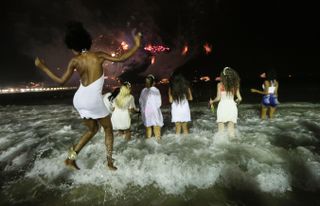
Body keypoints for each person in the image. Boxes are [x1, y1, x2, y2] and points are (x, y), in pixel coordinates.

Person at [34, 21, 141, 170]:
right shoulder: (99, 56)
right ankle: (109, 163)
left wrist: (43, 67)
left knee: (92, 130)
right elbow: (122, 58)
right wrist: (136, 45)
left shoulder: (75, 61)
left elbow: (61, 81)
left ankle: (70, 159)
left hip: (79, 99)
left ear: (74, 46)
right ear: (86, 41)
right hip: (92, 100)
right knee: (108, 129)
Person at [210, 67, 242, 138]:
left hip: (222, 106)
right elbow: (240, 98)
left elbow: (218, 98)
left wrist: (212, 101)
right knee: (231, 130)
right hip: (232, 106)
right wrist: (237, 102)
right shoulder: (236, 84)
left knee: (221, 130)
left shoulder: (219, 85)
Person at [139, 74, 163, 140]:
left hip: (146, 112)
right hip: (154, 112)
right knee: (157, 129)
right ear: (153, 82)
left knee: (148, 130)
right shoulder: (156, 90)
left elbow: (140, 102)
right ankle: (158, 144)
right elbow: (159, 103)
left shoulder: (143, 91)